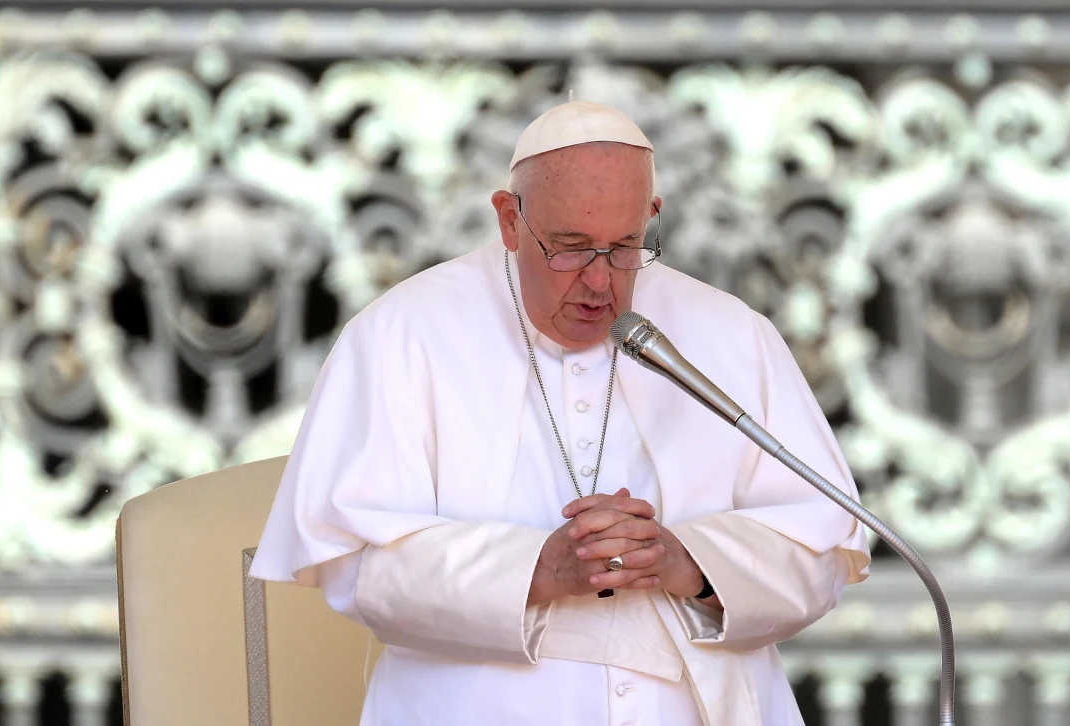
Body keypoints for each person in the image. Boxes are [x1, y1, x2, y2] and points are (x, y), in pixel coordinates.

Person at [249, 99, 871, 726]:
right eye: (570, 248)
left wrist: (689, 562)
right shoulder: (401, 334)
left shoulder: (732, 334)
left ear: (652, 216)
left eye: (625, 246)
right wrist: (540, 568)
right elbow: (354, 564)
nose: (601, 283)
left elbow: (821, 549)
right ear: (510, 220)